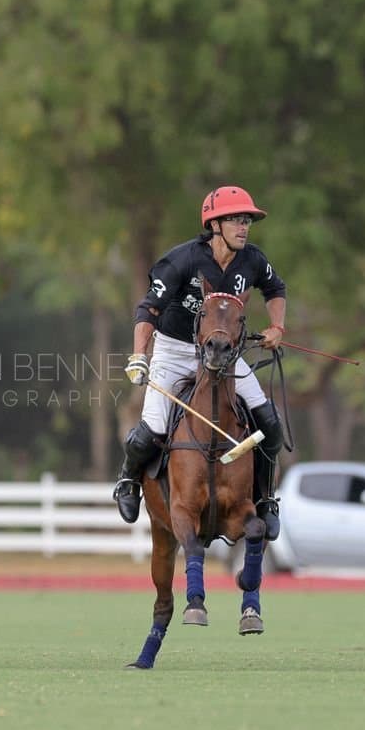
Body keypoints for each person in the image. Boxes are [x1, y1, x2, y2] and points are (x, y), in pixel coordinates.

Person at [113, 186, 286, 540]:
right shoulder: (183, 260)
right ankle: (128, 481)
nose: (244, 226)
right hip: (175, 351)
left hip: (224, 356)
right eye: (237, 220)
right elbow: (148, 309)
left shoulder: (252, 260)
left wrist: (277, 328)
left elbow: (275, 289)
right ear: (215, 223)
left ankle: (266, 499)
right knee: (152, 428)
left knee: (268, 421)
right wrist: (138, 356)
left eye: (247, 220)